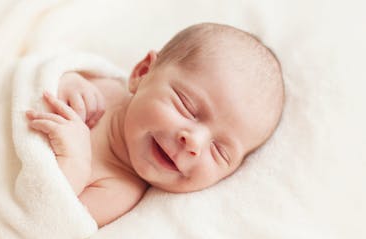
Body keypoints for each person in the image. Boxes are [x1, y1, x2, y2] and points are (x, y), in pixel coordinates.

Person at [25, 22, 285, 228]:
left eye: (219, 152)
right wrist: (64, 77)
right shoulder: (96, 83)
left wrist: (74, 162)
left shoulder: (117, 190)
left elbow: (45, 224)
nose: (194, 142)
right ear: (142, 73)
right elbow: (29, 71)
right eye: (187, 106)